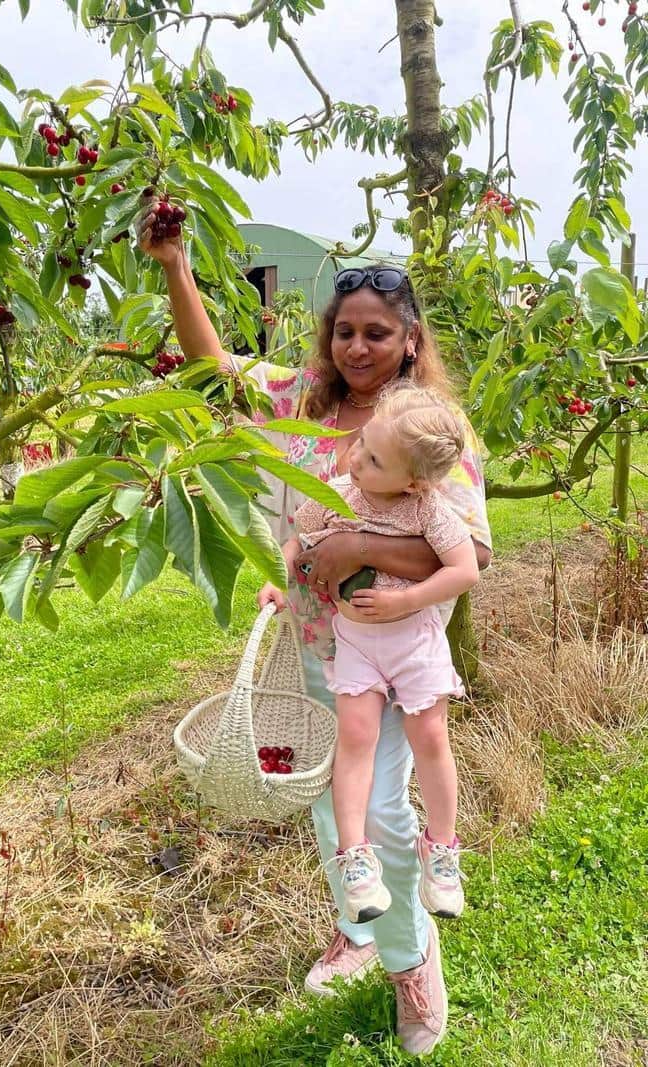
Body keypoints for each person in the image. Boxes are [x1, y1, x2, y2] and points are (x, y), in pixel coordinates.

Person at [138, 207, 492, 1057]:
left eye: (377, 333)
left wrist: (361, 546)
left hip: (398, 650)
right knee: (334, 806)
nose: (357, 347)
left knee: (384, 813)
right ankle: (359, 925)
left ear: (410, 340)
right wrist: (176, 264)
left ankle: (412, 960)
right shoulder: (303, 402)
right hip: (318, 647)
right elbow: (214, 372)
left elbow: (471, 546)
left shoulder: (434, 429)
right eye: (343, 331)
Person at [258, 383, 479, 929]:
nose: (355, 458)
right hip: (357, 643)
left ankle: (442, 851)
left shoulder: (430, 510)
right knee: (354, 739)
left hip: (414, 643)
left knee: (430, 737)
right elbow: (297, 539)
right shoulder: (340, 493)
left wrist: (405, 599)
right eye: (361, 445)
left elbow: (465, 569)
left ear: (414, 480)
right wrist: (278, 579)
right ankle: (354, 858)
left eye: (374, 458)